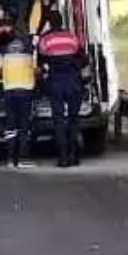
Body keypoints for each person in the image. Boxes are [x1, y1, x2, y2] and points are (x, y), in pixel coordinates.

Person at [38, 12, 89, 168]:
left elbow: (42, 62)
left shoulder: (45, 40)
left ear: (50, 23)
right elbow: (84, 58)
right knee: (73, 119)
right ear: (61, 22)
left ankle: (63, 157)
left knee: (59, 119)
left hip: (56, 83)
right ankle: (74, 155)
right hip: (74, 82)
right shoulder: (72, 38)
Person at [0, 34, 37, 168]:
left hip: (9, 89)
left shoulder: (4, 49)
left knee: (11, 124)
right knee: (24, 124)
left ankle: (10, 158)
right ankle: (23, 158)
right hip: (26, 89)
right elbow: (35, 69)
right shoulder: (29, 50)